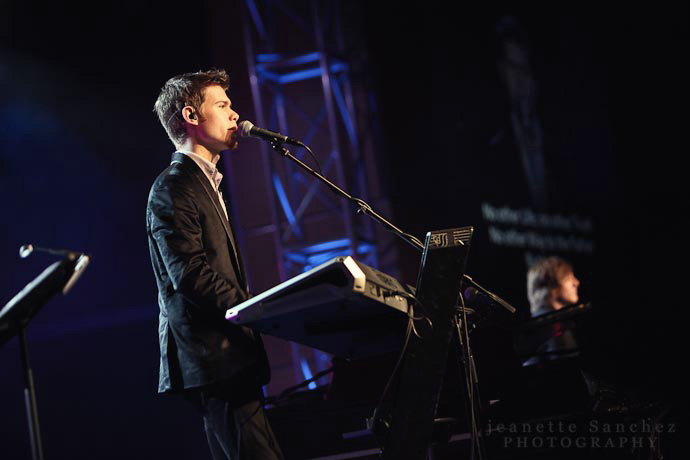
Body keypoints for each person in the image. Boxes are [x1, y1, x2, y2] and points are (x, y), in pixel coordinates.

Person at [147, 69, 283, 459]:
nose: (235, 114)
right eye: (222, 105)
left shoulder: (203, 182)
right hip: (214, 359)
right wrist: (260, 307)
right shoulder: (174, 187)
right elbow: (190, 275)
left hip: (228, 358)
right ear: (191, 116)